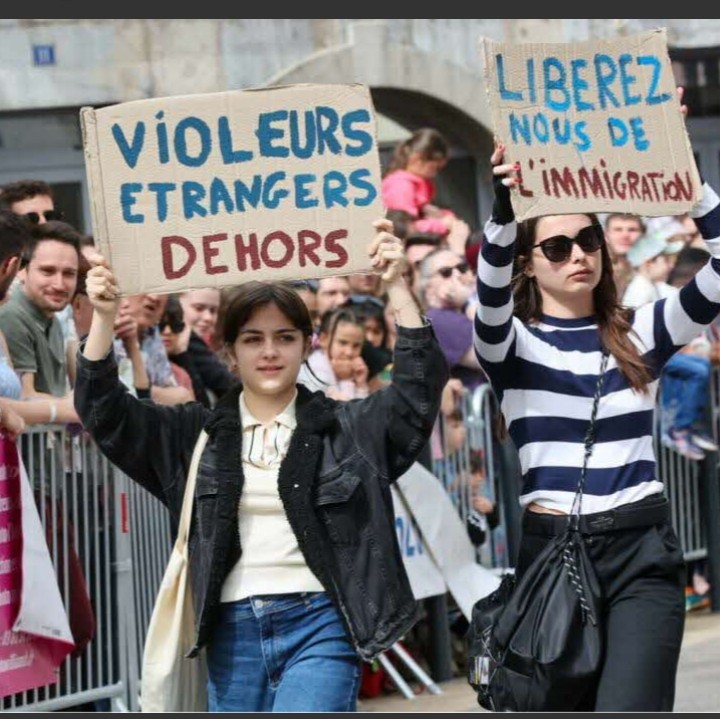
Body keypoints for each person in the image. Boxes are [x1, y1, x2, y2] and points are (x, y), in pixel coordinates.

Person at [74, 220, 448, 713]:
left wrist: (397, 284)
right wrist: (102, 318)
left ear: (305, 343)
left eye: (284, 337)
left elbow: (418, 394)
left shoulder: (350, 428)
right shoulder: (193, 437)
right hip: (232, 635)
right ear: (230, 350)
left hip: (323, 623)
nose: (269, 351)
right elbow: (104, 412)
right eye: (253, 339)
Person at [472, 124, 720, 710]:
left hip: (642, 553)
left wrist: (690, 177)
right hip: (554, 556)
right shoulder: (514, 346)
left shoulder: (643, 329)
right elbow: (488, 306)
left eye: (587, 239)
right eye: (557, 247)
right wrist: (503, 215)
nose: (578, 254)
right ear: (528, 265)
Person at [382, 128, 459, 237]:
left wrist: (443, 215)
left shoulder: (415, 183)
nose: (435, 172)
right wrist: (442, 224)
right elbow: (401, 227)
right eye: (436, 166)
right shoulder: (401, 185)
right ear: (418, 158)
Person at [622, 231, 684, 308]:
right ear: (649, 262)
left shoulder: (651, 286)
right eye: (666, 260)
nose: (671, 265)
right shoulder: (640, 291)